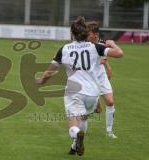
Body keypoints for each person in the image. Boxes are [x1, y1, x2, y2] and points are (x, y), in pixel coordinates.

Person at [35, 16, 123, 156]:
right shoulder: (95, 46)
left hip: (74, 92)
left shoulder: (64, 49)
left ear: (72, 33)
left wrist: (40, 81)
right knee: (84, 119)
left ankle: (76, 136)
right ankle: (74, 146)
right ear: (85, 33)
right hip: (93, 94)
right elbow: (119, 53)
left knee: (73, 125)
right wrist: (113, 44)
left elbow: (50, 71)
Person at [87, 21, 117, 138]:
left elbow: (106, 57)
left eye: (89, 34)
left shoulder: (102, 44)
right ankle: (79, 128)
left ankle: (109, 132)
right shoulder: (84, 45)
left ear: (95, 34)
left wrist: (108, 68)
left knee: (110, 102)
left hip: (101, 77)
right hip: (89, 77)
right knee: (94, 109)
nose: (87, 36)